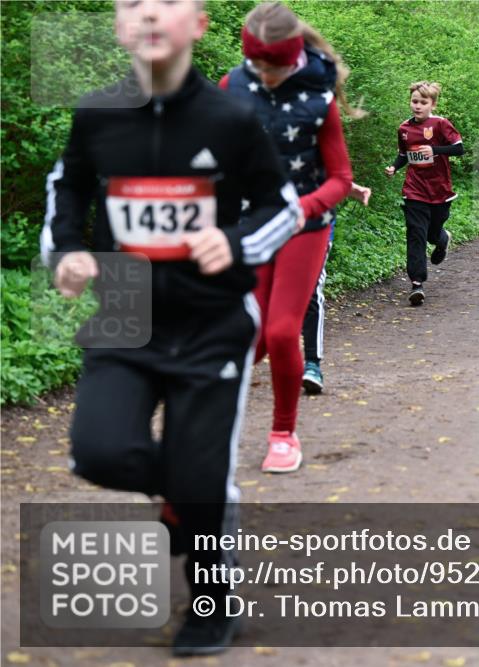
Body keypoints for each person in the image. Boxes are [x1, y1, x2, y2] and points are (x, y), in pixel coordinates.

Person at [40, 0, 300, 655]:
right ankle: (179, 497)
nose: (150, 13)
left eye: (168, 2)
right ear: (118, 24)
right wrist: (66, 250)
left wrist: (235, 242)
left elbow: (283, 207)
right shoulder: (97, 114)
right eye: (132, 3)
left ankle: (212, 607)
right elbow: (66, 190)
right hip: (126, 305)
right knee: (97, 450)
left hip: (212, 315)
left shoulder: (232, 117)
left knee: (204, 473)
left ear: (201, 24)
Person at [220, 1, 356, 473]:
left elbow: (340, 178)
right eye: (257, 65)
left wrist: (304, 207)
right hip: (250, 226)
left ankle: (283, 434)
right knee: (245, 337)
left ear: (292, 55)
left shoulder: (320, 98)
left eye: (273, 66)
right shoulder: (232, 88)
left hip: (304, 227)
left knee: (281, 331)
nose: (266, 75)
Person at [385, 81, 464, 306]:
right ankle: (417, 283)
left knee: (431, 234)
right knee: (415, 233)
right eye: (414, 101)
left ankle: (442, 238)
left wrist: (435, 150)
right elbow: (404, 154)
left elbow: (459, 148)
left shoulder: (441, 124)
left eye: (423, 102)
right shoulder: (404, 129)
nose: (417, 106)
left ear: (433, 104)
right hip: (414, 189)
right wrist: (394, 166)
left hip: (439, 189)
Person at [301, 181, 371, 395]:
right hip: (273, 225)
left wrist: (349, 187)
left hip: (317, 227)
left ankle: (312, 364)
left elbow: (327, 169)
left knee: (311, 289)